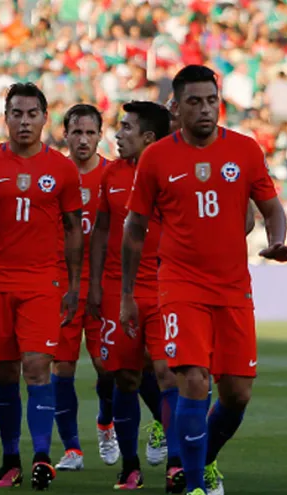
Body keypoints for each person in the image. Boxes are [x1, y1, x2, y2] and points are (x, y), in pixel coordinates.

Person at [122, 65, 287, 495]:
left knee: (236, 394)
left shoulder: (246, 151)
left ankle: (205, 457)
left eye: (211, 100)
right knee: (193, 379)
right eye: (195, 102)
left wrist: (276, 241)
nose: (205, 109)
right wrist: (127, 293)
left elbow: (272, 208)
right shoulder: (157, 157)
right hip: (180, 286)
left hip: (233, 287)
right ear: (177, 108)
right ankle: (194, 483)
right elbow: (134, 228)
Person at [0, 82, 84, 490]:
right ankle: (10, 458)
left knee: (37, 366)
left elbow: (73, 230)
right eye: (17, 113)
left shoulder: (63, 169)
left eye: (32, 113)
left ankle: (43, 457)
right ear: (6, 117)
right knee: (5, 371)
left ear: (45, 118)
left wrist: (74, 283)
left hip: (43, 283)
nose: (25, 121)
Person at [87, 100, 178, 491]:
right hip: (117, 289)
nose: (117, 134)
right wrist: (92, 284)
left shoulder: (174, 173)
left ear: (148, 138)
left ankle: (177, 461)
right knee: (123, 376)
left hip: (166, 287)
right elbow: (101, 232)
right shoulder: (110, 175)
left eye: (126, 128)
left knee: (167, 374)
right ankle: (130, 465)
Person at [51, 103, 119, 471]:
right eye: (76, 132)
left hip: (102, 286)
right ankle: (72, 449)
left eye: (90, 133)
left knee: (106, 368)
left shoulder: (113, 175)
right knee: (61, 368)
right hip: (61, 286)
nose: (83, 139)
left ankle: (106, 424)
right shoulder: (54, 174)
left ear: (100, 135)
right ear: (65, 134)